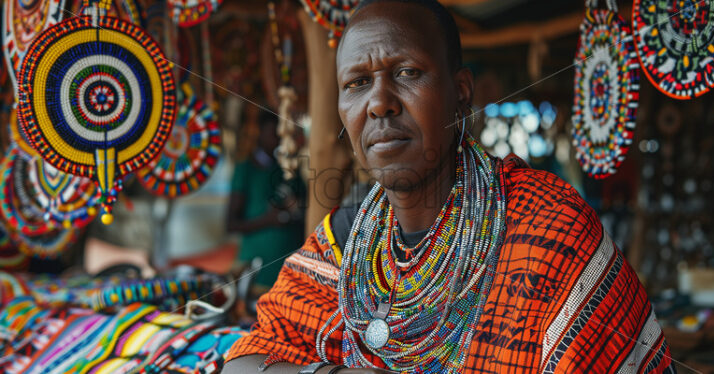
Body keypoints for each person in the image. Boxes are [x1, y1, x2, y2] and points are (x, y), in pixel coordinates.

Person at [223, 0, 675, 372]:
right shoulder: (346, 236)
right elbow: (245, 359)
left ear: (461, 92)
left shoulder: (547, 230)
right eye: (357, 83)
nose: (379, 103)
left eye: (406, 73)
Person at [226, 111, 305, 291]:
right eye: (273, 133)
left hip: (292, 271)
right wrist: (268, 220)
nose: (278, 139)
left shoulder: (288, 170)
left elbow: (305, 208)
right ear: (260, 133)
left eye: (281, 134)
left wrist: (295, 210)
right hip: (259, 273)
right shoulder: (246, 170)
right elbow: (231, 224)